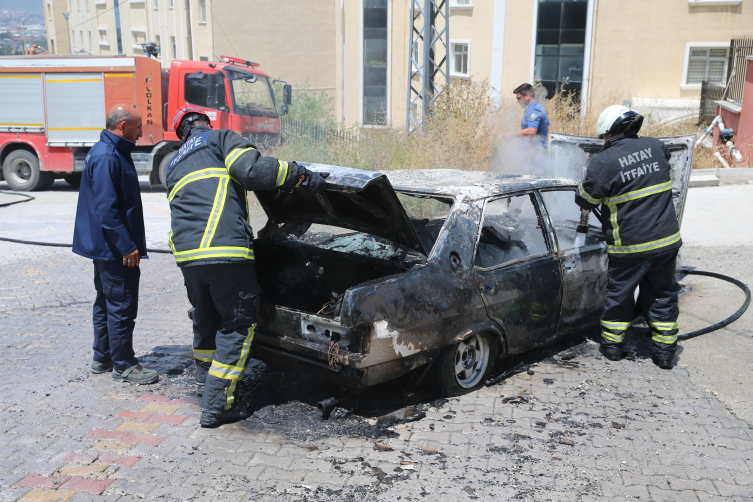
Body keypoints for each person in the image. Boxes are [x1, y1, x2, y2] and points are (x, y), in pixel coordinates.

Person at [166, 105, 328, 428]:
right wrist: (299, 174)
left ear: (181, 133)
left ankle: (204, 384)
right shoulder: (219, 139)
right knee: (238, 323)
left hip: (188, 258)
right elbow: (252, 171)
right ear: (205, 123)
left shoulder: (172, 164)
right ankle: (216, 405)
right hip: (224, 250)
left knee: (206, 317)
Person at [574, 105, 682, 370]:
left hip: (630, 246)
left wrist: (584, 182)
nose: (604, 142)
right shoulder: (657, 147)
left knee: (620, 295)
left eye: (604, 138)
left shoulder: (603, 161)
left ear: (609, 133)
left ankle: (612, 347)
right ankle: (665, 354)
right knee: (663, 295)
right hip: (667, 242)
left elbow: (585, 199)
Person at [73, 104, 159, 385]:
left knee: (107, 302)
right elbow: (107, 211)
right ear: (122, 126)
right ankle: (123, 364)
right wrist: (127, 246)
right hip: (114, 248)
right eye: (137, 127)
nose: (141, 132)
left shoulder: (109, 152)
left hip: (106, 247)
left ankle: (104, 357)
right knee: (121, 304)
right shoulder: (109, 156)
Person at [502, 83, 552, 148]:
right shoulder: (538, 107)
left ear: (528, 96)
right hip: (536, 152)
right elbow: (549, 130)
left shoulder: (534, 110)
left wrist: (512, 134)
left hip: (534, 153)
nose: (517, 101)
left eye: (519, 98)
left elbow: (531, 131)